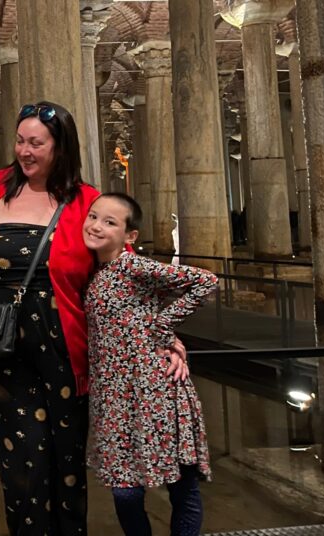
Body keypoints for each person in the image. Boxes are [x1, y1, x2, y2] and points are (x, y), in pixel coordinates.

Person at [0, 101, 189, 535]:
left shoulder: (88, 201)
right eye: (20, 140)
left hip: (66, 347)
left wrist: (164, 335)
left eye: (37, 143)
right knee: (21, 462)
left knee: (67, 463)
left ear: (60, 147)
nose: (25, 151)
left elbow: (121, 275)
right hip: (6, 348)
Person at [83, 193, 214, 536]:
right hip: (114, 396)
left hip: (154, 388)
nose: (96, 226)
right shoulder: (96, 271)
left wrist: (164, 328)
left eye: (109, 222)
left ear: (130, 235)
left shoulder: (132, 265)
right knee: (125, 491)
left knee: (181, 486)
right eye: (93, 216)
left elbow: (205, 281)